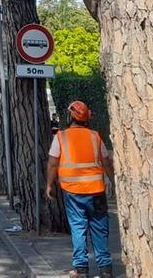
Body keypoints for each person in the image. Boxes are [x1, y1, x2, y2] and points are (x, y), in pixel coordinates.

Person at [45, 101, 113, 278]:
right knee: (100, 228)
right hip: (96, 191)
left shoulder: (61, 137)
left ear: (70, 117)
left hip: (73, 192)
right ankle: (105, 269)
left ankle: (81, 269)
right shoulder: (95, 136)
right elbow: (106, 161)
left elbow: (53, 163)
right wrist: (114, 180)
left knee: (78, 228)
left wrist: (49, 185)